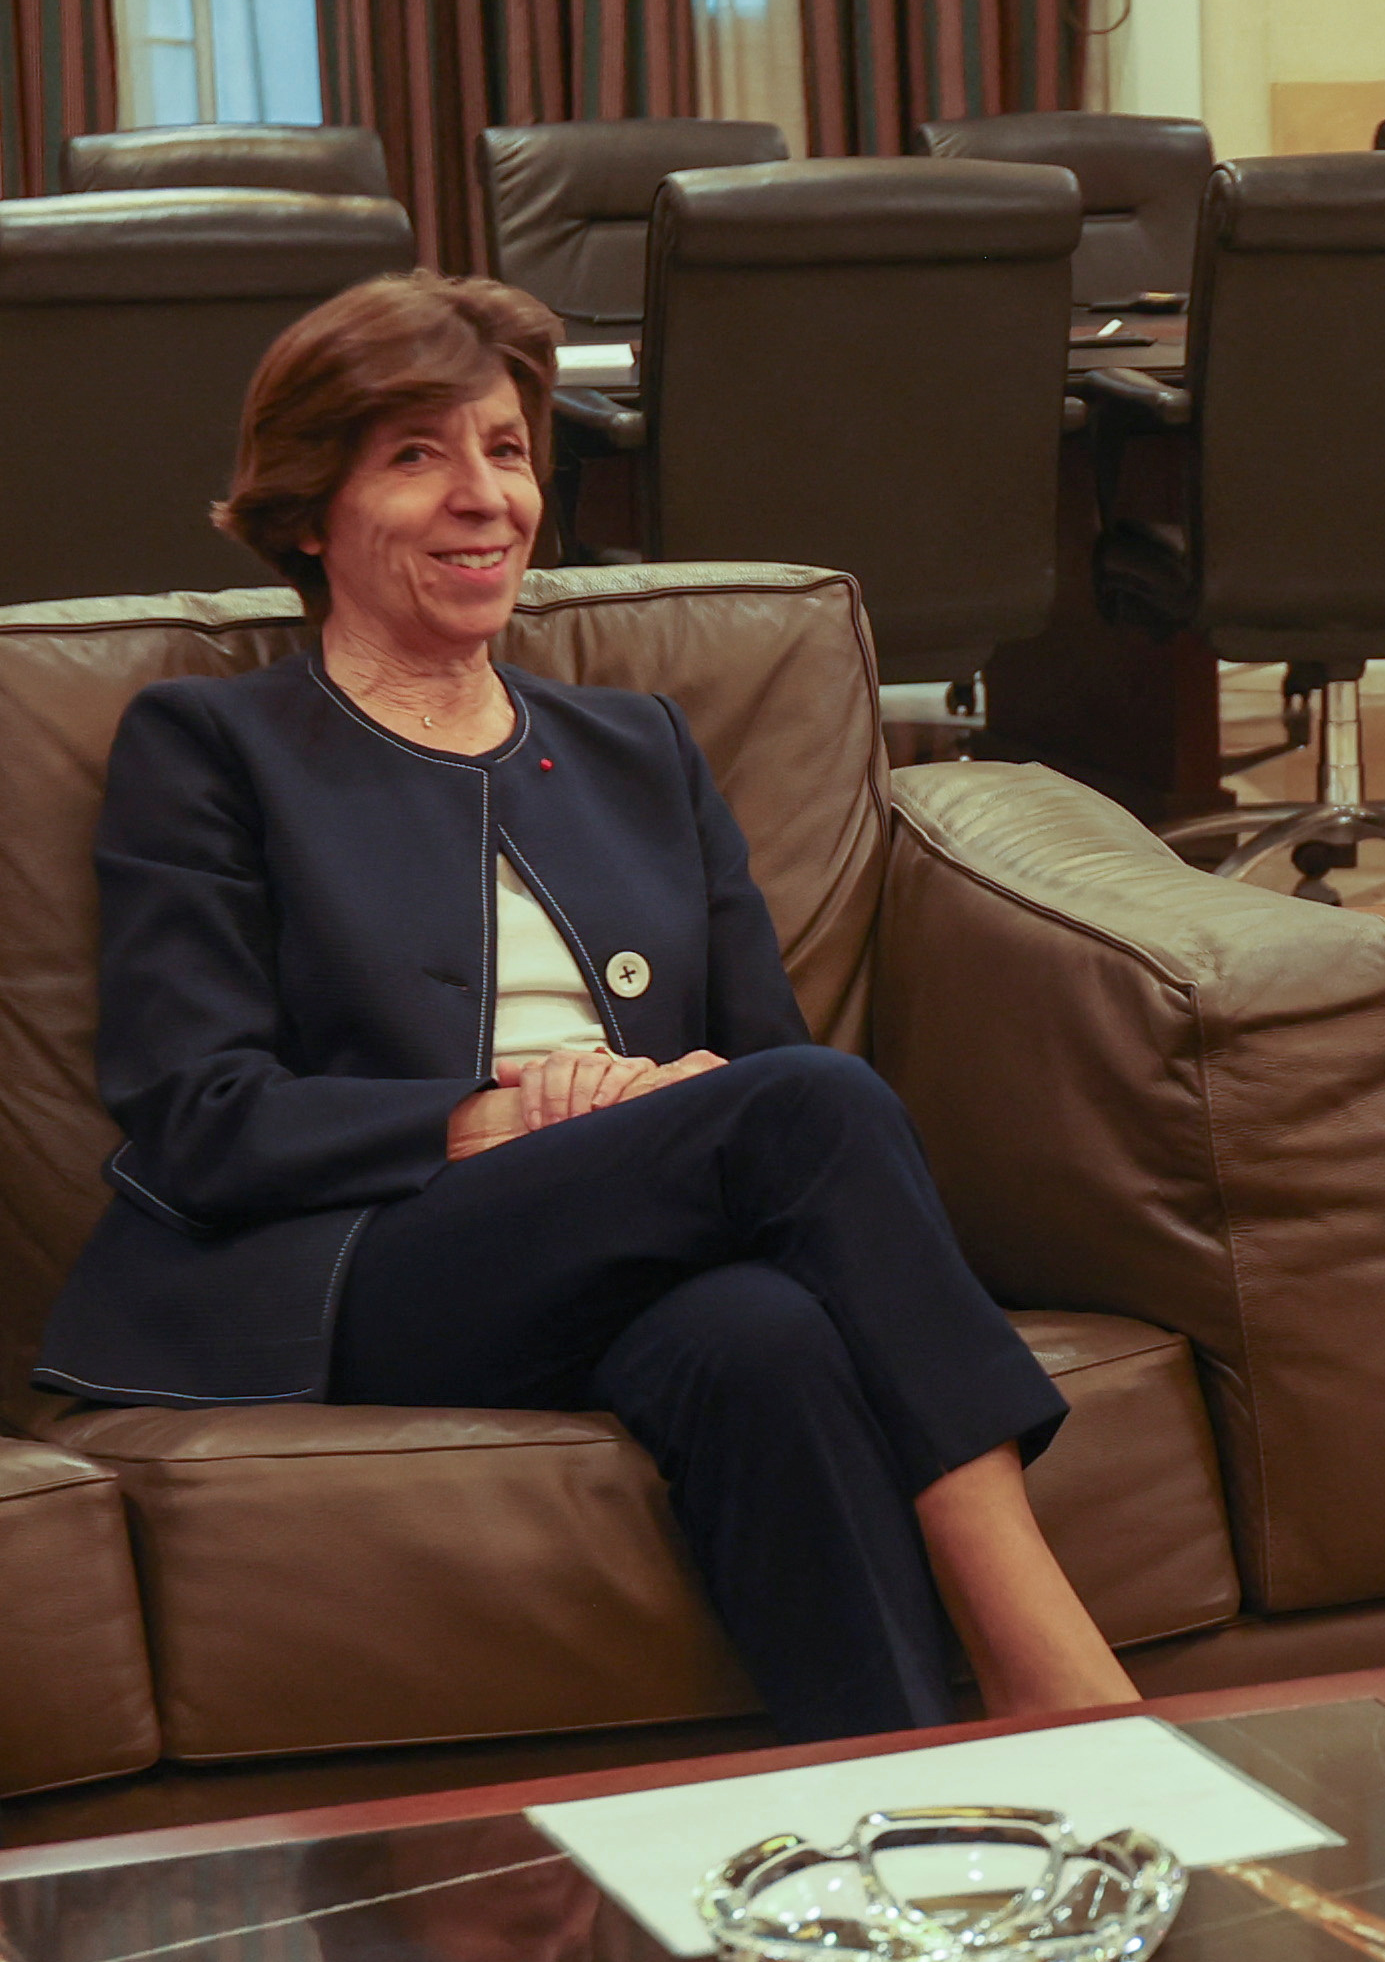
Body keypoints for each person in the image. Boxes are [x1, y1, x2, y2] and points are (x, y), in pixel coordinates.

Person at [31, 272, 1140, 1736]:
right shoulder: (214, 745)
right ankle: (1050, 1663)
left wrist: (655, 1108)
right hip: (363, 1262)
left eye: (505, 449)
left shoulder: (639, 747)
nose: (483, 496)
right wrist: (501, 1118)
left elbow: (753, 1058)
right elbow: (199, 1115)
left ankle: (904, 1802)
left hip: (631, 1237)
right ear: (309, 511)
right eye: (416, 455)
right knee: (809, 1112)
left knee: (761, 1338)